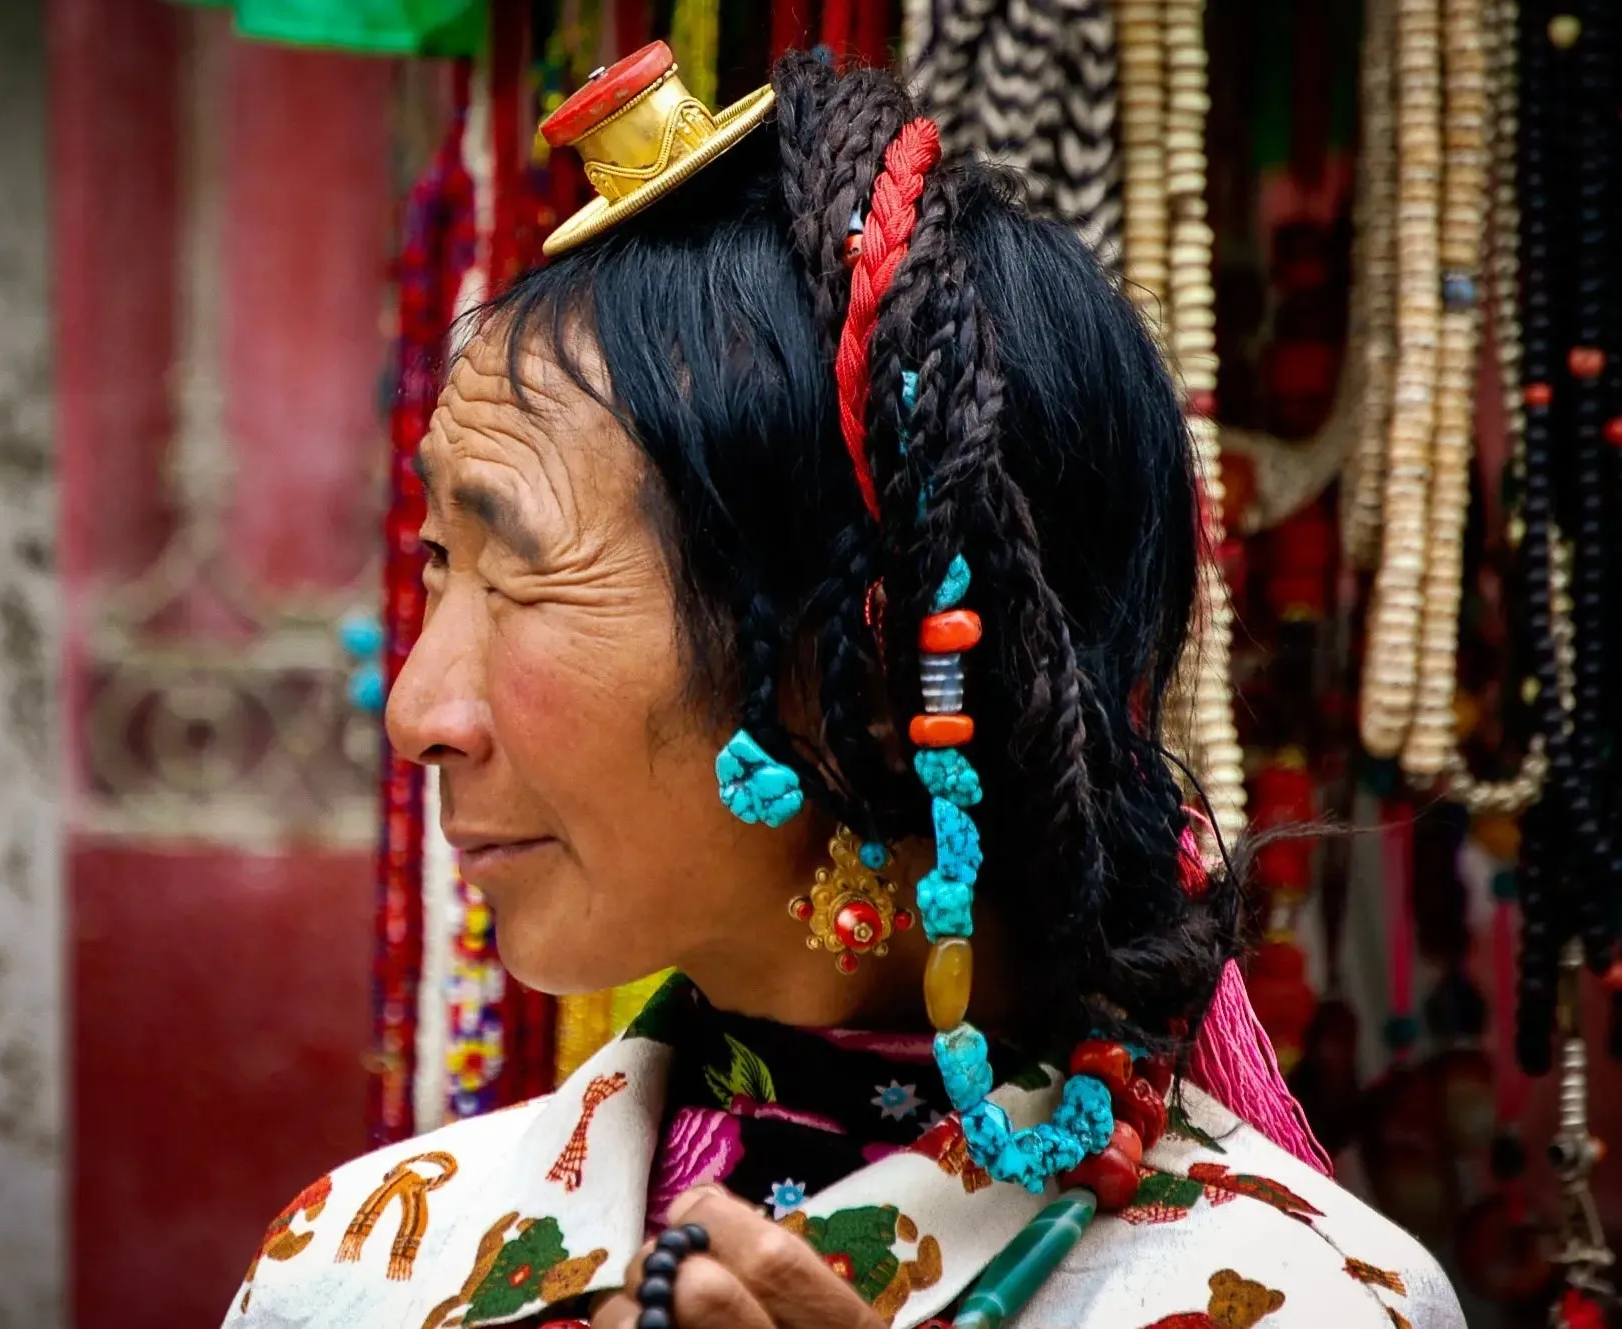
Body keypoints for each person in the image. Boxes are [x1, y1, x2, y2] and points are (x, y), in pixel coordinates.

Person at [224, 43, 1465, 1329]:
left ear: (877, 670)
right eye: (440, 563)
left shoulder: (1293, 1303)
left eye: (526, 575)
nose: (420, 714)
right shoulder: (362, 1267)